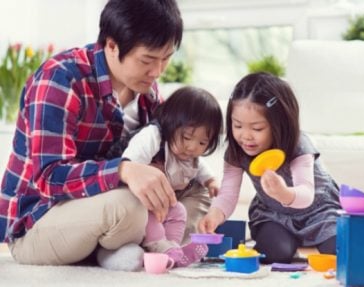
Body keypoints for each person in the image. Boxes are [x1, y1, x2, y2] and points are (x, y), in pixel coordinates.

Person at [0, 0, 185, 271]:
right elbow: (49, 177)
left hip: (96, 213)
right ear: (111, 45)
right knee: (129, 207)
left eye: (166, 58)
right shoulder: (60, 79)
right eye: (147, 60)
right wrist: (123, 171)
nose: (157, 72)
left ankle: (116, 251)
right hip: (38, 221)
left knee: (187, 199)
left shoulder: (148, 93)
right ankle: (116, 250)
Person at [198, 72, 341, 264]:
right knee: (274, 253)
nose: (246, 136)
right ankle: (288, 243)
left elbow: (306, 194)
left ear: (279, 124)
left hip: (318, 211)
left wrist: (283, 193)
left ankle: (319, 241)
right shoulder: (236, 151)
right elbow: (228, 194)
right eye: (237, 125)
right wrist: (214, 215)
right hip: (274, 214)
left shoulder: (299, 146)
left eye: (257, 129)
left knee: (342, 251)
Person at [98, 86, 223, 270]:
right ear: (171, 123)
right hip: (133, 195)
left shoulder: (189, 155)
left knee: (179, 211)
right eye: (187, 137)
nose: (191, 147)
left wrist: (210, 180)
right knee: (151, 216)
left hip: (163, 199)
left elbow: (198, 167)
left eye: (202, 143)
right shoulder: (154, 136)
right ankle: (157, 246)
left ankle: (171, 248)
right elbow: (131, 165)